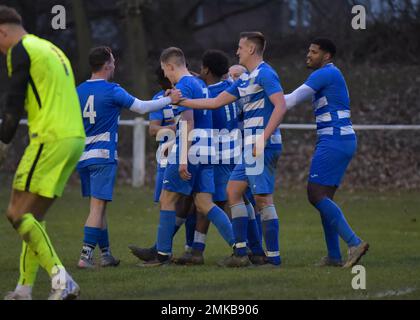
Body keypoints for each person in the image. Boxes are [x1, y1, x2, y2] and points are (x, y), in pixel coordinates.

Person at [179, 32, 287, 267]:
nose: (236, 51)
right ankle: (242, 253)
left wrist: (263, 139)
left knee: (263, 199)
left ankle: (273, 258)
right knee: (233, 191)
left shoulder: (267, 73)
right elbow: (215, 102)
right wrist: (181, 102)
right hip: (249, 146)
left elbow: (281, 106)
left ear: (250, 49)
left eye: (240, 47)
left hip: (262, 145)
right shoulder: (247, 79)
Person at [0, 5, 84, 300]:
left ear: (2, 31)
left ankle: (62, 280)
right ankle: (24, 288)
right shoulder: (51, 48)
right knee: (32, 216)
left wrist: (3, 142)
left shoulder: (20, 50)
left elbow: (13, 102)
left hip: (49, 137)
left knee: (15, 212)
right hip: (73, 138)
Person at [76, 47, 182, 269]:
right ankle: (85, 257)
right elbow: (141, 107)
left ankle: (106, 255)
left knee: (99, 207)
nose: (115, 65)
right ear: (106, 65)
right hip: (103, 155)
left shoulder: (78, 90)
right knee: (96, 209)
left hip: (83, 155)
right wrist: (168, 100)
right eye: (113, 62)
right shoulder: (112, 90)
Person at [140, 47, 236, 267]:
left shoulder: (183, 86)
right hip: (207, 149)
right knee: (204, 203)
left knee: (167, 199)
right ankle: (240, 247)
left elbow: (188, 122)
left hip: (189, 149)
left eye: (165, 70)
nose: (165, 75)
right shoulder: (200, 84)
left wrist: (183, 159)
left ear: (171, 66)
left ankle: (162, 256)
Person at [284, 38, 369, 268]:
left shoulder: (325, 74)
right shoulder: (330, 74)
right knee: (324, 197)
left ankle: (355, 242)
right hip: (338, 139)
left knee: (315, 194)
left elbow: (289, 101)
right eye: (308, 50)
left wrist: (261, 98)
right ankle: (333, 256)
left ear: (327, 56)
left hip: (335, 139)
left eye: (314, 51)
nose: (308, 55)